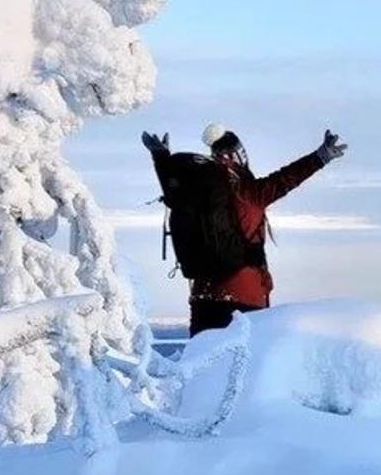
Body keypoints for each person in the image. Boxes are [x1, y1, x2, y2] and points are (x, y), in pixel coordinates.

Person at [141, 125, 347, 336]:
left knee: (200, 363)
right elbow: (286, 178)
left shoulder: (196, 188)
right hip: (245, 294)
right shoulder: (249, 191)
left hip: (202, 294)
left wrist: (161, 157)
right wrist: (321, 156)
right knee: (245, 365)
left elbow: (172, 188)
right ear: (240, 155)